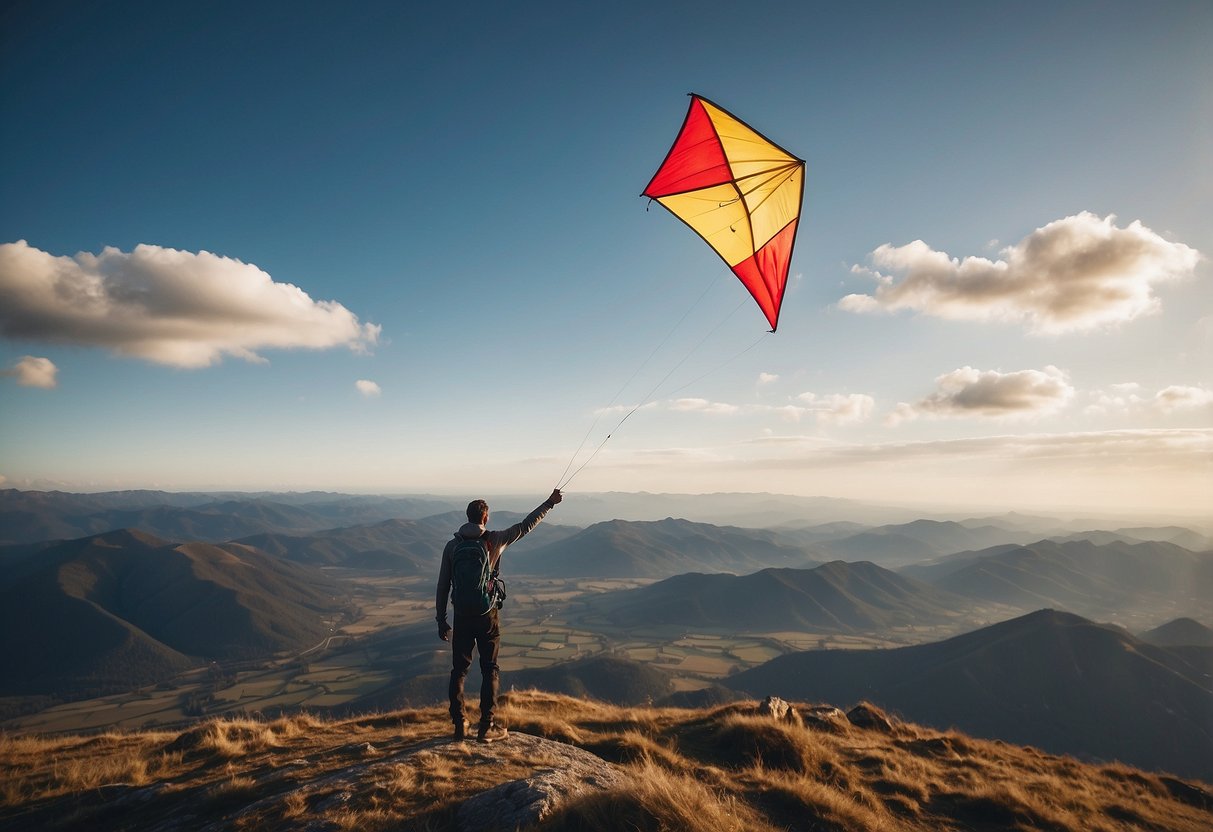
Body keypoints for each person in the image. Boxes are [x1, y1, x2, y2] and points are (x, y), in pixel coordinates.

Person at [435, 488, 562, 742]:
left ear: (468, 517)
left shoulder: (453, 546)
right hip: (487, 614)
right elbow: (526, 526)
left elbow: (443, 584)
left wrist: (441, 620)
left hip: (461, 615)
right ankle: (486, 727)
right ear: (485, 518)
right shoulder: (495, 540)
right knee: (489, 669)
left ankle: (459, 724)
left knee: (459, 670)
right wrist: (549, 503)